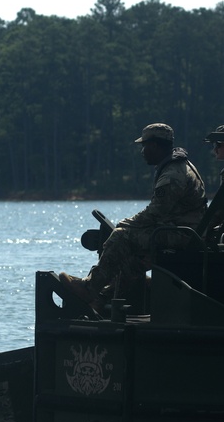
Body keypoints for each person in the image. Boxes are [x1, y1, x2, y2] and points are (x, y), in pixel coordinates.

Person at [59, 123, 207, 310]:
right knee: (134, 261)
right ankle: (102, 299)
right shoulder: (179, 165)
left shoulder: (172, 174)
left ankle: (90, 287)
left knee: (121, 235)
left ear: (155, 146)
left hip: (181, 235)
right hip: (184, 232)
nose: (143, 151)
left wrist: (126, 224)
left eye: (144, 146)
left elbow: (156, 212)